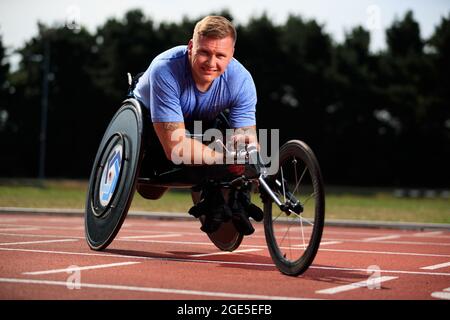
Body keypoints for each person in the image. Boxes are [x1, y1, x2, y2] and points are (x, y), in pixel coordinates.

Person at [132, 15, 263, 235]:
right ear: (191, 47)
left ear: (232, 55)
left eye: (220, 55)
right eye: (204, 52)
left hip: (203, 124)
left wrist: (257, 168)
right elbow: (176, 148)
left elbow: (246, 137)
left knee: (235, 146)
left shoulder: (241, 80)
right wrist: (227, 161)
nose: (212, 63)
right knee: (150, 192)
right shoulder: (165, 69)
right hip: (150, 121)